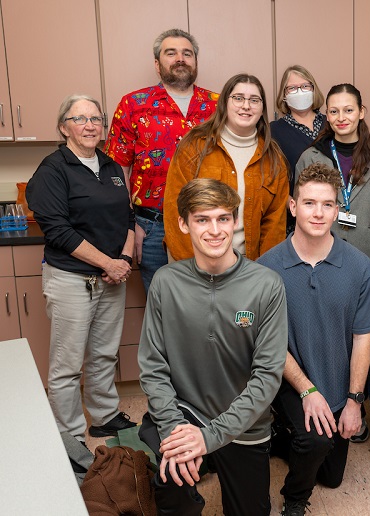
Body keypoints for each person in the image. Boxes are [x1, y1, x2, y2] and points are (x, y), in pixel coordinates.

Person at [138, 178, 288, 516]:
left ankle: (207, 456)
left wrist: (210, 437)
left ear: (236, 221)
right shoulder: (166, 282)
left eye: (223, 218)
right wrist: (174, 430)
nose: (214, 230)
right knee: (170, 477)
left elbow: (267, 376)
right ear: (183, 223)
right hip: (185, 410)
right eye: (202, 219)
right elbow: (152, 366)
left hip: (244, 423)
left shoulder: (266, 285)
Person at [257, 162, 370, 516]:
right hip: (290, 379)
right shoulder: (267, 269)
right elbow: (269, 346)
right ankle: (295, 499)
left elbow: (364, 340)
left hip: (338, 380)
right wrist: (307, 391)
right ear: (293, 206)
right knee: (315, 441)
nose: (318, 212)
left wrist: (355, 401)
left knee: (331, 477)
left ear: (338, 210)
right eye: (309, 203)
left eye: (327, 204)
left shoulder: (360, 267)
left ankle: (282, 438)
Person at [27, 94, 136, 441]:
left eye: (95, 119)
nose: (89, 125)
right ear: (64, 127)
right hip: (72, 281)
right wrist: (109, 263)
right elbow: (58, 231)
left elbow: (129, 218)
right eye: (79, 119)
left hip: (111, 278)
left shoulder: (110, 166)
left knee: (105, 354)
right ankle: (70, 435)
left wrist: (125, 260)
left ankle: (104, 415)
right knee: (67, 365)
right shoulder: (52, 170)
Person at [104, 28, 218, 292]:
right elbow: (116, 170)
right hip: (152, 227)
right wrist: (131, 226)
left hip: (209, 224)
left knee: (211, 306)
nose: (180, 58)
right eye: (171, 53)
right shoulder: (133, 105)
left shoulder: (218, 106)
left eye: (187, 53)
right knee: (164, 308)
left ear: (195, 61)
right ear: (157, 64)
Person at [163, 73, 288, 261]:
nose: (246, 106)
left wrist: (263, 273)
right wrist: (193, 269)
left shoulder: (273, 157)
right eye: (238, 98)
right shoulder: (194, 147)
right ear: (224, 103)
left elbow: (275, 224)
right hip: (195, 263)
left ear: (262, 109)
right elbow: (175, 211)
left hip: (247, 266)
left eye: (254, 100)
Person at [296, 83, 370, 261]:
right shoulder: (309, 158)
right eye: (334, 112)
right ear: (327, 115)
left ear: (361, 112)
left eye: (349, 110)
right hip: (321, 253)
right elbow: (299, 209)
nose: (341, 118)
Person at [271, 65, 327, 234]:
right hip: (295, 218)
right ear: (284, 95)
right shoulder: (274, 131)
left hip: (335, 214)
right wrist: (293, 206)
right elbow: (271, 178)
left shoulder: (331, 124)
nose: (300, 91)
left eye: (305, 86)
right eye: (292, 88)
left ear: (313, 89)